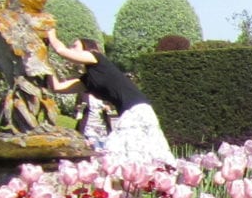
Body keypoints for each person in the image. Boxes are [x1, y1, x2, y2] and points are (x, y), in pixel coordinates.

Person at [46, 33, 175, 165]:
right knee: (135, 154)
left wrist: (50, 34)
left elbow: (61, 51)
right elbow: (57, 87)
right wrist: (44, 64)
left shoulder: (96, 57)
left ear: (87, 49)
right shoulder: (88, 80)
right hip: (130, 112)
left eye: (75, 46)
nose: (71, 48)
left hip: (137, 110)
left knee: (117, 153)